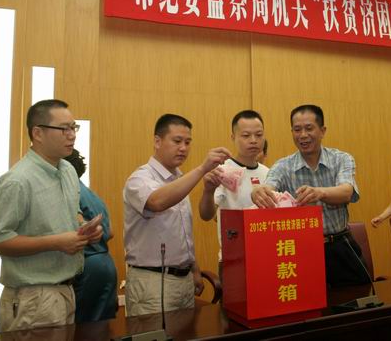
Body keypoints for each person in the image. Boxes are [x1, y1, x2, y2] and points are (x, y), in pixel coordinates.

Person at [0, 99, 103, 331]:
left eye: (74, 127)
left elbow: (72, 213)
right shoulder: (18, 180)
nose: (72, 135)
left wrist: (86, 229)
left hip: (67, 289)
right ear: (37, 133)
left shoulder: (67, 170)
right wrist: (56, 242)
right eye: (64, 129)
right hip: (32, 297)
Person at [123, 114, 231, 316]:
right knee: (155, 332)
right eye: (177, 141)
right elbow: (156, 202)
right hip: (153, 281)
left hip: (184, 279)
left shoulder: (179, 179)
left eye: (188, 142)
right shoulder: (140, 178)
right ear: (157, 141)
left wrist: (194, 269)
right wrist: (202, 168)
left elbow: (180, 233)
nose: (183, 148)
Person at [251, 104, 368, 287]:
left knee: (358, 297)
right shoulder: (283, 166)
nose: (303, 135)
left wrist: (319, 192)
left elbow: (346, 191)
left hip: (340, 245)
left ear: (322, 131)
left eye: (309, 128)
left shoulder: (341, 159)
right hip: (301, 250)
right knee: (308, 302)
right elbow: (269, 185)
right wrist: (258, 191)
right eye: (297, 130)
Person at [199, 110, 270, 280]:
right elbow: (206, 215)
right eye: (246, 135)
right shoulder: (222, 170)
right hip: (234, 260)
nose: (253, 140)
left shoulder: (268, 173)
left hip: (265, 256)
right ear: (233, 137)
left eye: (258, 135)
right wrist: (208, 191)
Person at [64, 149, 117, 323]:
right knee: (102, 326)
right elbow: (110, 232)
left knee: (83, 329)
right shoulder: (92, 195)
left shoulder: (70, 192)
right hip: (105, 264)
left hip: (87, 266)